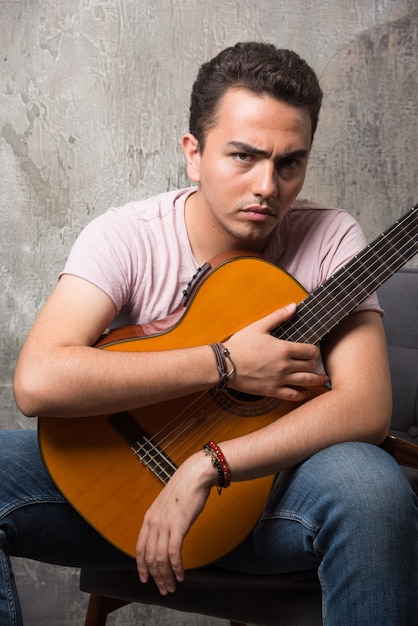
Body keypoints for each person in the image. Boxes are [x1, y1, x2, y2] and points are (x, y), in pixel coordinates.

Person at [2, 41, 417, 625]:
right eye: (243, 157)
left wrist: (208, 464)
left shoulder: (330, 237)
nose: (267, 186)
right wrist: (224, 362)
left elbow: (366, 406)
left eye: (289, 163)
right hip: (118, 490)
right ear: (193, 154)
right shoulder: (127, 235)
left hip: (262, 505)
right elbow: (38, 382)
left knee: (372, 490)